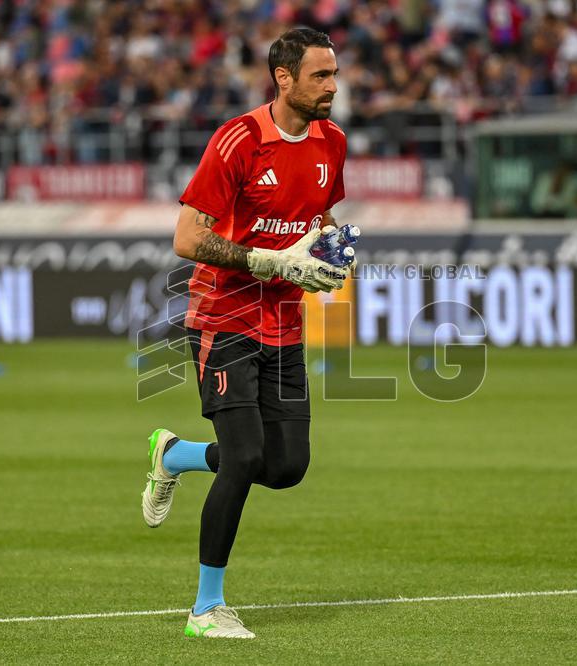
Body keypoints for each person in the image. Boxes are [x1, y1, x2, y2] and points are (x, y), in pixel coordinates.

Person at [141, 27, 351, 639]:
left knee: (286, 467)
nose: (333, 86)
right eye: (321, 76)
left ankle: (173, 454)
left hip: (285, 324)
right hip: (223, 318)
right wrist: (264, 260)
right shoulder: (237, 139)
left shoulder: (332, 142)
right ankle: (207, 608)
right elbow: (186, 238)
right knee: (244, 457)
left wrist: (332, 253)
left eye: (335, 74)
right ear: (283, 78)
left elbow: (323, 217)